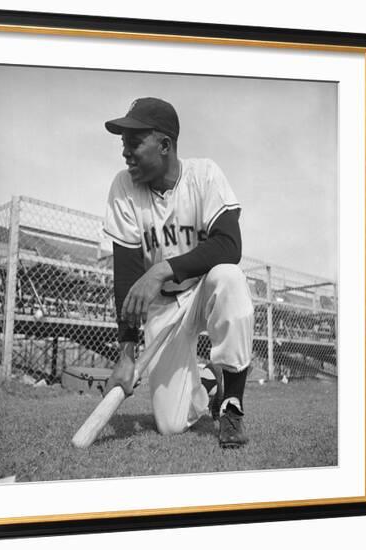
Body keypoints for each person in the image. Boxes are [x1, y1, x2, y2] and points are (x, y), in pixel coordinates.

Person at [102, 97, 254, 448]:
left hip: (204, 290)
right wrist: (126, 353)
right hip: (165, 308)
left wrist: (160, 270)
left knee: (229, 278)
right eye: (123, 143)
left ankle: (232, 404)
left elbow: (230, 245)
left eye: (134, 142)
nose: (125, 152)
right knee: (171, 425)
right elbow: (125, 275)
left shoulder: (205, 174)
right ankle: (207, 385)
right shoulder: (123, 187)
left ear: (165, 145)